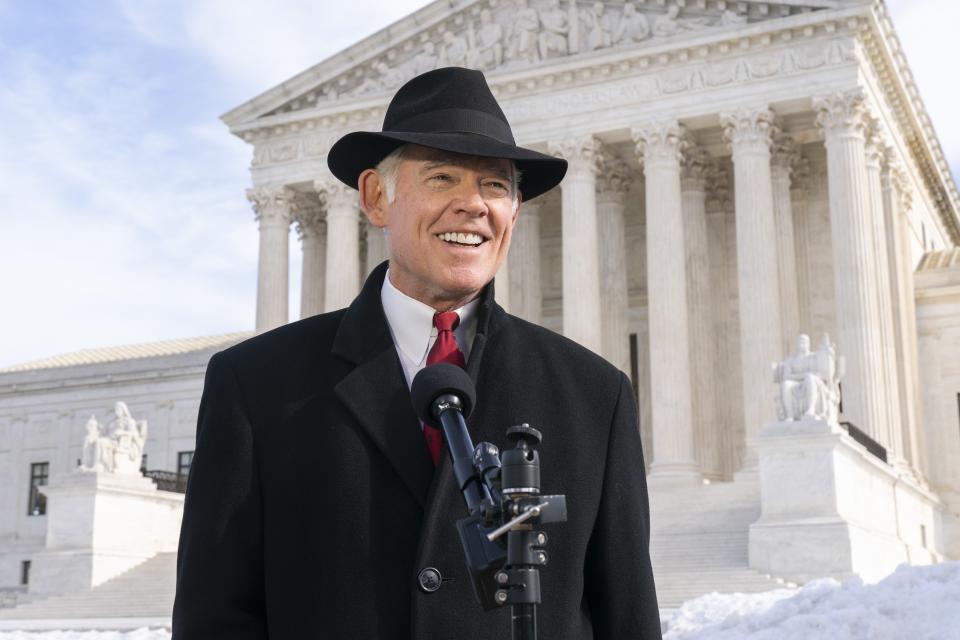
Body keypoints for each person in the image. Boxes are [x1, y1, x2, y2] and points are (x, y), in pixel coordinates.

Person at [172, 67, 661, 640]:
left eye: (496, 186)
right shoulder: (256, 386)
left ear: (514, 213)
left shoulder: (593, 395)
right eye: (442, 177)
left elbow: (625, 617)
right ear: (377, 198)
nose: (473, 205)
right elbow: (215, 620)